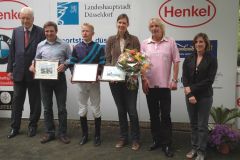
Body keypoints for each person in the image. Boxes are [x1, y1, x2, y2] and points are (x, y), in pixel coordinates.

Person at [141, 18, 180, 157]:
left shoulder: (170, 42)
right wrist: (144, 80)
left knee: (165, 116)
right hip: (149, 86)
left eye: (156, 25)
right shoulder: (145, 43)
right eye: (151, 26)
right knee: (153, 116)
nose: (154, 28)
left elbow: (176, 61)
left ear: (162, 27)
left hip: (164, 86)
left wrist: (174, 80)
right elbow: (142, 64)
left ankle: (167, 144)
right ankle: (156, 140)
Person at [29, 21, 71, 144]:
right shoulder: (40, 45)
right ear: (44, 32)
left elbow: (70, 58)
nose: (49, 33)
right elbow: (36, 59)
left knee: (62, 108)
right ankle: (49, 133)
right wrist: (32, 65)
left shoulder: (64, 44)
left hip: (60, 79)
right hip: (44, 81)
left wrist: (65, 65)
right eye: (46, 31)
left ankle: (62, 133)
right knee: (47, 108)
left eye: (51, 31)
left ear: (56, 31)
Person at [6, 7, 45, 138]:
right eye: (22, 18)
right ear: (20, 18)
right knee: (17, 102)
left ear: (32, 18)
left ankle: (32, 126)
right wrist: (9, 69)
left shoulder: (40, 31)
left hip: (34, 73)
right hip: (18, 73)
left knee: (35, 102)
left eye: (27, 18)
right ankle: (14, 127)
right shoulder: (16, 31)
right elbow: (12, 52)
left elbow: (44, 52)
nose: (25, 20)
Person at [105, 13, 141, 151]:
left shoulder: (134, 39)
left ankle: (136, 139)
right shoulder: (110, 40)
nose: (121, 25)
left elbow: (139, 59)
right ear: (116, 24)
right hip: (115, 81)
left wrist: (132, 68)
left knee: (132, 110)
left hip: (131, 80)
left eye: (124, 23)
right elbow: (107, 60)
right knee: (121, 110)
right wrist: (111, 75)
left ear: (127, 25)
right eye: (119, 22)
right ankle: (123, 137)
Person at [182, 33, 217, 160]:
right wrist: (190, 93)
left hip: (205, 96)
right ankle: (194, 148)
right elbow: (184, 77)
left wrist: (191, 88)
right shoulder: (189, 58)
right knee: (193, 124)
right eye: (196, 42)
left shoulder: (211, 59)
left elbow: (209, 80)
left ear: (206, 44)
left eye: (201, 41)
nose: (198, 44)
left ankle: (202, 151)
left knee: (202, 125)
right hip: (190, 96)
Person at [69, 23, 105, 146]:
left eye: (87, 31)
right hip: (81, 84)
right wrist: (74, 75)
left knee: (96, 109)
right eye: (83, 31)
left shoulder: (99, 47)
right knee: (82, 109)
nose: (85, 33)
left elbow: (102, 63)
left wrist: (98, 74)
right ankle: (84, 135)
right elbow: (72, 63)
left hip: (94, 83)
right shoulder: (76, 47)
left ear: (92, 33)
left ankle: (97, 136)